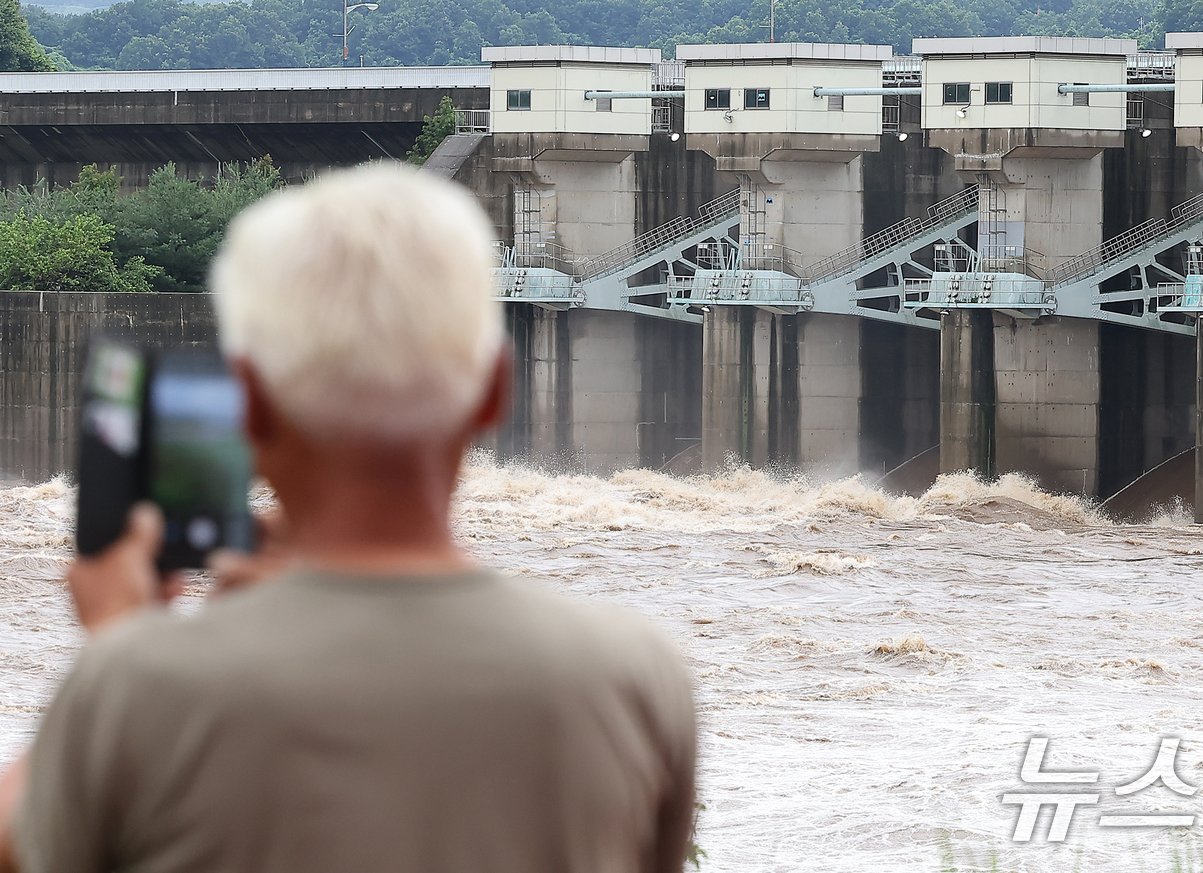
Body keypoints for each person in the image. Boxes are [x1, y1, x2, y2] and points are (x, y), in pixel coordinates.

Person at [0, 162, 697, 873]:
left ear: (250, 404)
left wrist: (118, 642)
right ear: (495, 392)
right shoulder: (636, 680)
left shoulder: (141, 688)